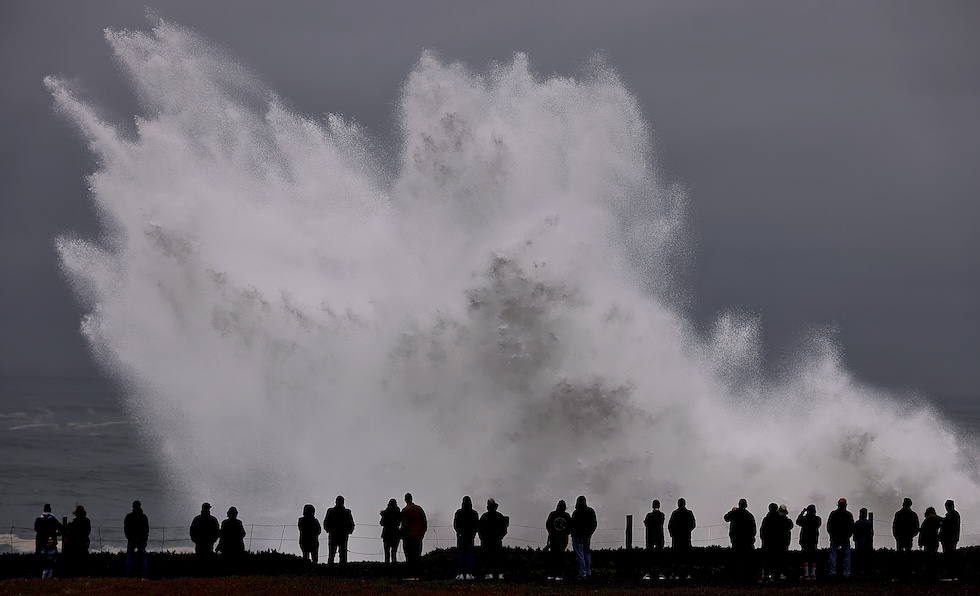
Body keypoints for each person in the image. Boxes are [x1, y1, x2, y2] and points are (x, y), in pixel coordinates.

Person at [723, 498, 756, 581]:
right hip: (746, 540)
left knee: (736, 558)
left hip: (736, 539)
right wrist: (751, 538)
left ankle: (735, 576)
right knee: (745, 559)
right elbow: (753, 529)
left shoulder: (735, 513)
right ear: (746, 505)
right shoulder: (749, 516)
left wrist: (732, 511)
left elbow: (726, 518)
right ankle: (745, 576)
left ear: (739, 504)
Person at [478, 498, 509, 580]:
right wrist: (500, 536)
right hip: (493, 540)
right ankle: (496, 573)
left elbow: (480, 529)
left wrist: (483, 538)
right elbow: (504, 529)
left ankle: (493, 573)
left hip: (491, 540)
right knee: (494, 557)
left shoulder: (485, 516)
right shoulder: (498, 516)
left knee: (492, 557)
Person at [667, 498, 696, 580]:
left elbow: (670, 525)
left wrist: (673, 534)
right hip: (685, 537)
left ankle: (676, 573)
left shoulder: (675, 513)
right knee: (686, 556)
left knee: (677, 557)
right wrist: (687, 531)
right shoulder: (688, 513)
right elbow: (693, 524)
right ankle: (687, 573)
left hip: (677, 538)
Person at [400, 493, 427, 578]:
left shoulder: (405, 510)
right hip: (418, 536)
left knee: (409, 556)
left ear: (405, 500)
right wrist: (422, 533)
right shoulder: (419, 509)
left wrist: (402, 534)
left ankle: (410, 573)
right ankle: (418, 573)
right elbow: (424, 522)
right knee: (417, 555)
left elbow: (405, 525)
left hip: (409, 536)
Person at [570, 495, 597, 580]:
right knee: (587, 553)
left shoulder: (577, 512)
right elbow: (594, 523)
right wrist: (590, 533)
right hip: (587, 536)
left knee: (580, 554)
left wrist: (572, 532)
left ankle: (582, 573)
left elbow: (573, 524)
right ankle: (588, 571)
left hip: (578, 535)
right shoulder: (590, 511)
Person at [826, 497, 854, 579]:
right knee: (846, 557)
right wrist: (848, 536)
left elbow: (829, 526)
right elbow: (852, 527)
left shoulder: (833, 514)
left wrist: (832, 535)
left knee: (833, 556)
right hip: (845, 538)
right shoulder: (848, 515)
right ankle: (846, 573)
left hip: (835, 538)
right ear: (845, 505)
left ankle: (832, 572)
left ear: (838, 505)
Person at [324, 495, 355, 566]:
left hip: (337, 533)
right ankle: (338, 564)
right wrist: (349, 531)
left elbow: (326, 522)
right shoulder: (345, 512)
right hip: (340, 534)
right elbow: (351, 523)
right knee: (337, 550)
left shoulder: (332, 511)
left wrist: (329, 530)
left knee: (337, 550)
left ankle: (334, 563)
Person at [545, 499, 571, 581]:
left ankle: (551, 574)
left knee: (553, 555)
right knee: (560, 556)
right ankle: (559, 574)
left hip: (554, 538)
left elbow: (548, 525)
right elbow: (570, 527)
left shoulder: (553, 514)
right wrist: (565, 533)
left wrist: (552, 532)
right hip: (563, 538)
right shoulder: (566, 516)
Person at [453, 496, 479, 579]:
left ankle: (460, 573)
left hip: (461, 536)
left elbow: (455, 524)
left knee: (461, 555)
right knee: (469, 555)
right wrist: (473, 534)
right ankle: (469, 573)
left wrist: (459, 532)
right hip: (470, 537)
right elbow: (476, 525)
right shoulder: (474, 513)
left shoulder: (459, 513)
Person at [63, 505, 91, 576]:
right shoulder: (87, 521)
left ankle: (76, 573)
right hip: (85, 541)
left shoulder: (75, 522)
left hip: (77, 542)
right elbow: (88, 531)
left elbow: (71, 531)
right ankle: (84, 573)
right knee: (84, 557)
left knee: (76, 558)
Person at [124, 500, 149, 578]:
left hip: (131, 539)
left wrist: (128, 537)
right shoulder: (143, 517)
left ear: (133, 507)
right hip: (141, 539)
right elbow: (146, 529)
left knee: (129, 556)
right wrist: (145, 539)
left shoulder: (129, 516)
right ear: (140, 506)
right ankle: (144, 574)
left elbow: (126, 528)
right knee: (142, 557)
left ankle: (128, 574)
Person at [796, 504, 821, 580]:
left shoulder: (805, 519)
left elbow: (798, 521)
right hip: (813, 540)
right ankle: (813, 574)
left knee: (805, 557)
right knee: (813, 557)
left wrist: (802, 512)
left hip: (805, 540)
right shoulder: (817, 519)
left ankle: (806, 575)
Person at [642, 499, 665, 581]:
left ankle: (650, 572)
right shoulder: (661, 515)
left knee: (650, 555)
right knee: (658, 555)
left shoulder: (650, 516)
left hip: (651, 537)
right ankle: (659, 572)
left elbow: (646, 523)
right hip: (658, 537)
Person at [919, 506, 942, 580]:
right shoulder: (937, 519)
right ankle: (934, 573)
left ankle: (928, 573)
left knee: (928, 557)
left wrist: (920, 541)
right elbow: (943, 522)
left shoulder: (927, 521)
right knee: (934, 556)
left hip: (927, 540)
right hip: (934, 539)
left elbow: (922, 531)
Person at [758, 503, 780, 581]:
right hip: (777, 543)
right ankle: (776, 576)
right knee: (776, 560)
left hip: (767, 543)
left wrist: (764, 539)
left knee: (766, 560)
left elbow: (762, 530)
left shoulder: (766, 519)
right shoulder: (779, 519)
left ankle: (765, 575)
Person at [940, 499, 960, 579]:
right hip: (951, 538)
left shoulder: (951, 515)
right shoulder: (954, 515)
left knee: (948, 555)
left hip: (949, 539)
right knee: (950, 555)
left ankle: (950, 572)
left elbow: (947, 525)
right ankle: (951, 573)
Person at [852, 508, 874, 579]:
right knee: (867, 558)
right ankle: (867, 573)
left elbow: (854, 533)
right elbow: (871, 533)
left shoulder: (857, 523)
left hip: (859, 542)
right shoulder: (869, 523)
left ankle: (859, 572)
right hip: (867, 543)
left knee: (859, 558)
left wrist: (855, 539)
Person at [380, 498, 401, 565]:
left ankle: (387, 563)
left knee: (387, 550)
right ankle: (394, 562)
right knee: (394, 550)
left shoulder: (386, 513)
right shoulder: (397, 512)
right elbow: (399, 522)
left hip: (387, 533)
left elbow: (382, 523)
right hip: (395, 532)